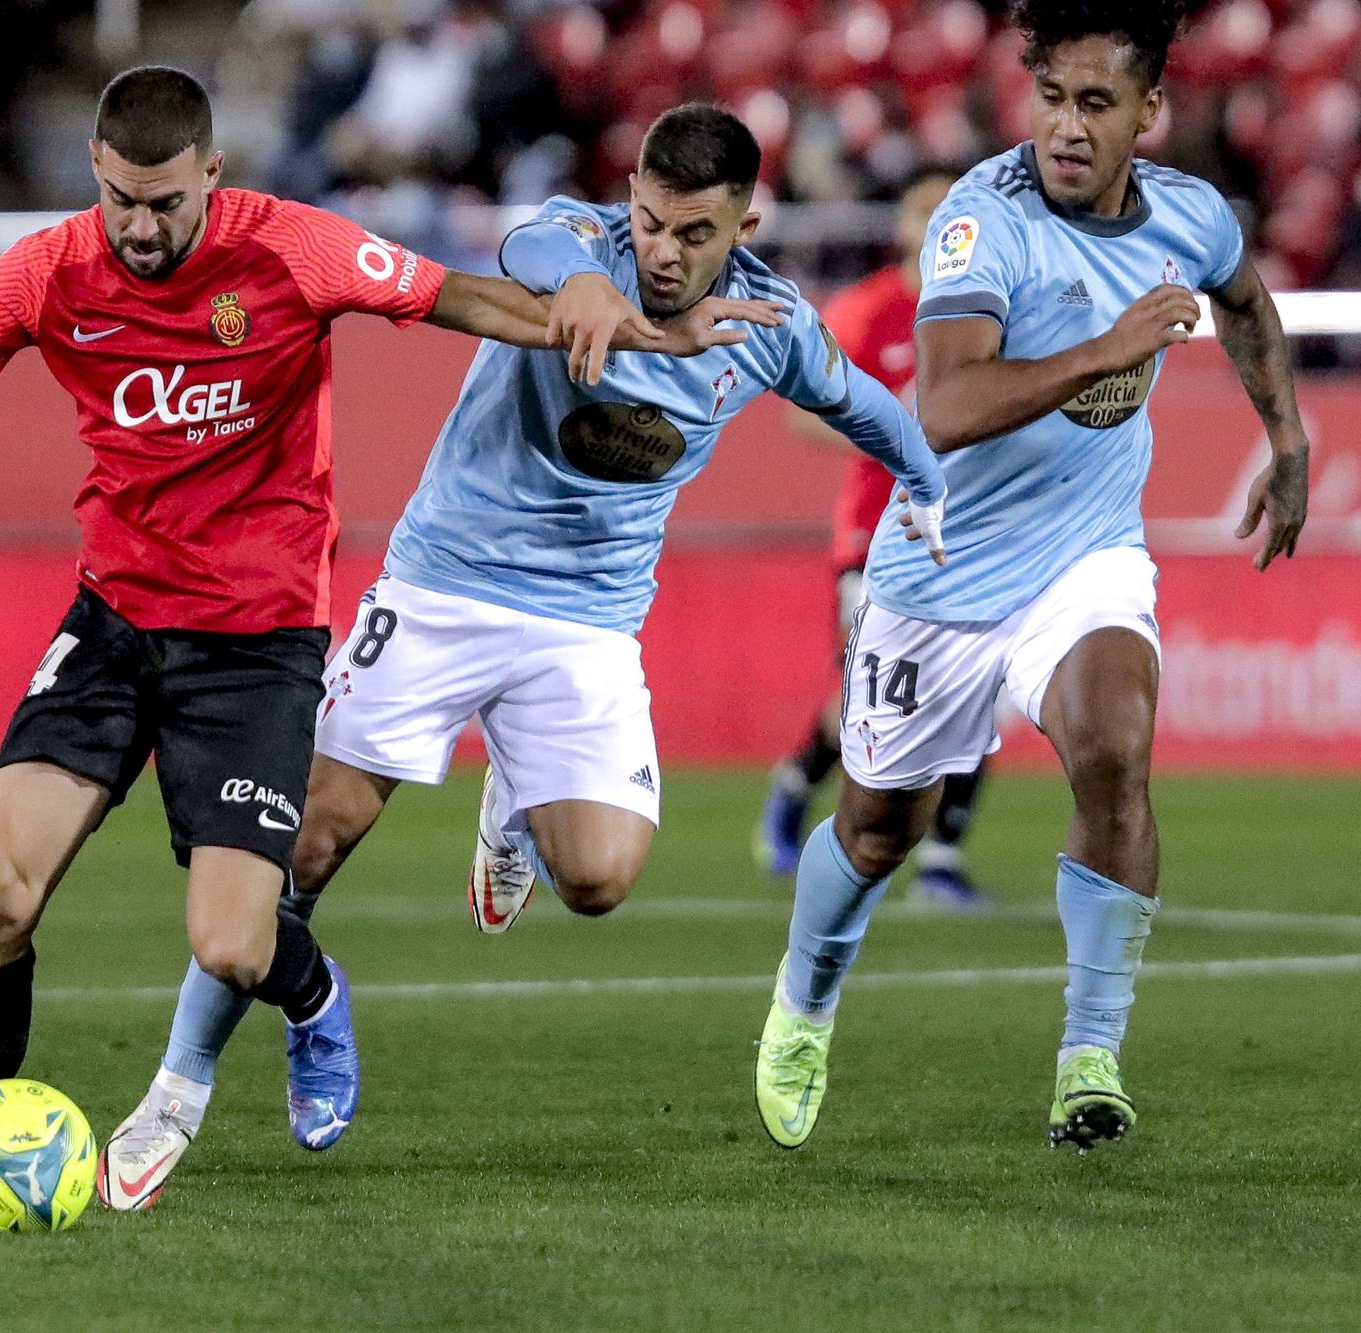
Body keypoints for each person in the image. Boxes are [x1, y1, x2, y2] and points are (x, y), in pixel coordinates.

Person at [0, 67, 756, 1226]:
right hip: (113, 621)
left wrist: (633, 327)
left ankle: (313, 991)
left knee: (235, 945)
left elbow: (467, 301)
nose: (138, 228)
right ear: (95, 175)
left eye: (163, 203)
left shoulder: (294, 250)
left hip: (254, 643)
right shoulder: (47, 269)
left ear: (210, 178)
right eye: (119, 200)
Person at [97, 103, 950, 1211]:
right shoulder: (575, 244)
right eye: (647, 221)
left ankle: (512, 799)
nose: (661, 251)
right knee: (296, 845)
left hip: (585, 626)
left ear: (746, 219)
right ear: (626, 199)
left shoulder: (769, 324)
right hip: (443, 585)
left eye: (694, 233)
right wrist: (582, 285)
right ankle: (177, 1089)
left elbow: (862, 402)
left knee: (597, 879)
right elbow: (526, 246)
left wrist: (927, 486)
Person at [753, 0, 1309, 1154]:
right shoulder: (978, 222)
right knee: (874, 829)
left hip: (1083, 557)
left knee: (1112, 745)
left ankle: (1088, 1057)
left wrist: (1286, 439)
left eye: (1094, 104)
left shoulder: (1190, 218)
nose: (1064, 126)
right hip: (940, 573)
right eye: (1050, 97)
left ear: (1147, 112)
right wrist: (1109, 347)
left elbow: (1246, 303)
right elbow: (946, 407)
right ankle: (802, 1003)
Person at [756, 173, 992, 911]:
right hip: (875, 534)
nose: (941, 222)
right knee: (877, 693)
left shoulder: (989, 308)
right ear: (904, 227)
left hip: (967, 534)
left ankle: (943, 859)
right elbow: (802, 415)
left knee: (976, 685)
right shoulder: (867, 309)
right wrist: (889, 434)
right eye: (928, 210)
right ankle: (800, 777)